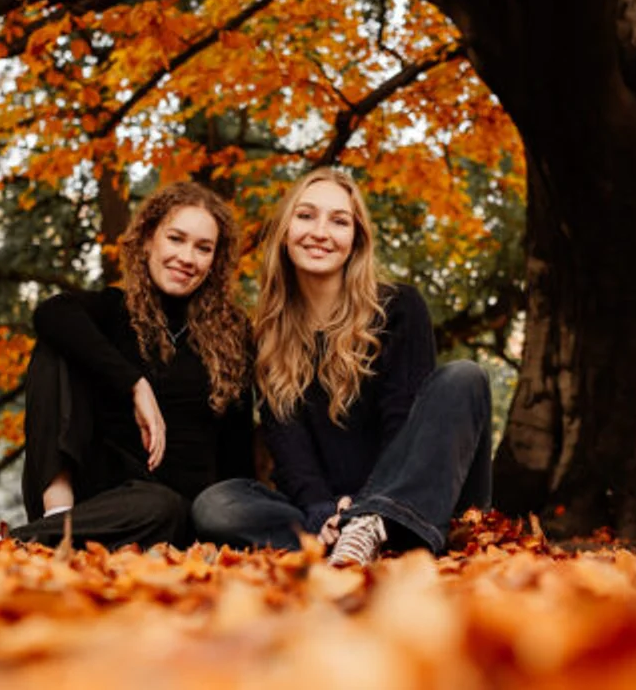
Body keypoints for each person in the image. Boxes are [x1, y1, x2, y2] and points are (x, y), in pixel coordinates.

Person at [0, 181, 254, 552]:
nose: (187, 258)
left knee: (160, 505)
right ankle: (56, 520)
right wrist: (135, 384)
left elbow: (238, 462)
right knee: (58, 346)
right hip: (95, 497)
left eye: (203, 248)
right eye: (176, 239)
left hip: (166, 515)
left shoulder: (232, 336)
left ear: (215, 261)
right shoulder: (113, 310)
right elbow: (51, 312)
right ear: (147, 242)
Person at [191, 167, 493, 566]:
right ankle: (344, 541)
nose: (320, 231)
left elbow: (403, 425)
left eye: (338, 221)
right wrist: (322, 511)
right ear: (284, 231)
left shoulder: (399, 308)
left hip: (411, 498)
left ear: (355, 240)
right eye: (305, 216)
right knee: (216, 505)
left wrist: (368, 507)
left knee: (464, 377)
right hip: (332, 512)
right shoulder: (265, 338)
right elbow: (291, 454)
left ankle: (375, 529)